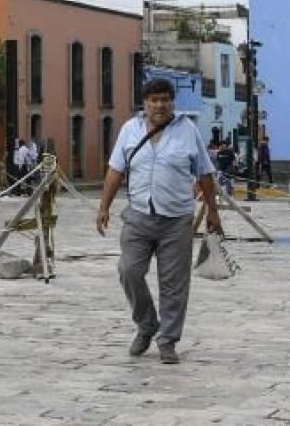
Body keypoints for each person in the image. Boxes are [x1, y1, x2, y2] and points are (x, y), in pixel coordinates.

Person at [96, 77, 221, 365]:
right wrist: (103, 207)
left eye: (165, 99)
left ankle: (168, 341)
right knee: (128, 270)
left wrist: (212, 212)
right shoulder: (130, 130)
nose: (160, 105)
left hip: (176, 219)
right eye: (154, 100)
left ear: (172, 102)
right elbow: (116, 170)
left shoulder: (187, 130)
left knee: (174, 284)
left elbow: (204, 172)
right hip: (138, 216)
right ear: (145, 103)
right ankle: (147, 323)